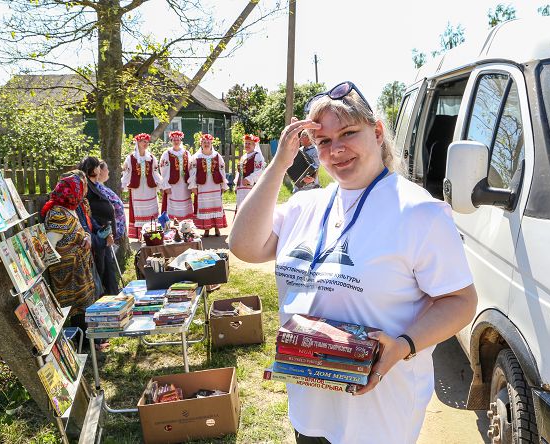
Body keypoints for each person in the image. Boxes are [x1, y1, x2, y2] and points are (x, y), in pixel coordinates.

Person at [229, 81, 477, 444]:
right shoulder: (305, 205)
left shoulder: (419, 211)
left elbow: (461, 301)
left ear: (377, 132)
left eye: (348, 133)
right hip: (310, 403)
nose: (337, 150)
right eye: (323, 141)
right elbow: (243, 246)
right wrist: (280, 163)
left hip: (378, 414)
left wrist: (404, 345)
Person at [41, 173, 96, 332]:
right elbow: (50, 246)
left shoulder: (69, 209)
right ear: (71, 192)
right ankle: (83, 341)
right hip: (68, 275)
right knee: (77, 311)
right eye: (81, 189)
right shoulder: (57, 213)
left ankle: (90, 340)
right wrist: (72, 251)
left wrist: (86, 238)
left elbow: (77, 232)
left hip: (79, 272)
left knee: (83, 309)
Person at [78, 156, 118, 295]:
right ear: (93, 169)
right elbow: (88, 216)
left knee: (108, 270)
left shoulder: (92, 185)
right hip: (97, 237)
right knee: (102, 272)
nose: (99, 169)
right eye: (97, 167)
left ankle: (112, 295)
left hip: (101, 232)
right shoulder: (87, 187)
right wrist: (101, 236)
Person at [122, 133, 163, 239]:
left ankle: (152, 233)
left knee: (151, 209)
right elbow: (127, 173)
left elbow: (155, 173)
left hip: (149, 187)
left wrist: (161, 185)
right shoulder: (131, 158)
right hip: (137, 188)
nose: (145, 144)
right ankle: (140, 234)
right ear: (138, 143)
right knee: (139, 210)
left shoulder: (151, 158)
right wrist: (123, 185)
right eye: (143, 141)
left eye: (147, 142)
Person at [188, 133, 228, 237]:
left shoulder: (217, 156)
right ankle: (206, 229)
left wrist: (223, 185)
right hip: (203, 186)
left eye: (208, 142)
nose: (206, 144)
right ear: (201, 144)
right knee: (205, 206)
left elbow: (222, 170)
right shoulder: (196, 157)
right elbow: (192, 172)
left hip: (215, 185)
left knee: (216, 205)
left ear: (211, 144)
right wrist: (193, 186)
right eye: (204, 142)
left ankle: (217, 228)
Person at [159, 130, 194, 221]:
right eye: (174, 140)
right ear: (171, 141)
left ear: (181, 141)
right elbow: (164, 170)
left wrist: (191, 183)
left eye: (178, 140)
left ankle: (185, 223)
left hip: (184, 184)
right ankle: (172, 223)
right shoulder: (167, 154)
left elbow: (191, 168)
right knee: (172, 203)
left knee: (184, 203)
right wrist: (166, 185)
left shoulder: (186, 153)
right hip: (172, 183)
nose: (176, 142)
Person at [95, 160, 126, 242]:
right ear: (99, 171)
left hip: (114, 233)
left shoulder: (102, 187)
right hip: (109, 234)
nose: (108, 171)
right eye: (106, 169)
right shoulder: (97, 189)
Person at [235, 133, 266, 210]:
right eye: (246, 143)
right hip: (241, 188)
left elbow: (260, 171)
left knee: (249, 207)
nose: (247, 145)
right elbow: (239, 172)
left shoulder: (257, 156)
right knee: (240, 207)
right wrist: (236, 184)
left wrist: (249, 179)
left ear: (254, 145)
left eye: (249, 143)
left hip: (250, 187)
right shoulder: (243, 157)